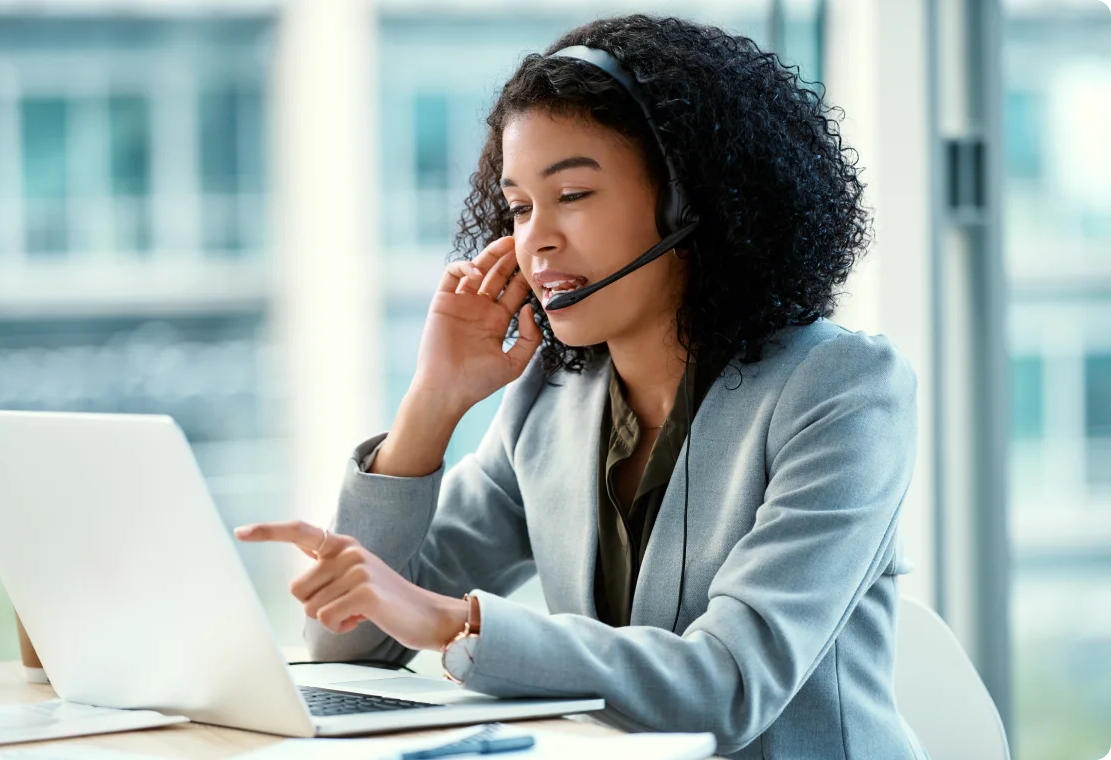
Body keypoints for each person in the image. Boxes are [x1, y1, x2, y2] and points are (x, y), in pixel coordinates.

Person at [236, 13, 929, 759]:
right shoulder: (551, 402)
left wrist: (454, 623)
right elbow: (351, 643)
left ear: (690, 201)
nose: (537, 239)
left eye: (572, 195)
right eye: (520, 206)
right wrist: (433, 404)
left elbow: (729, 686)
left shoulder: (840, 390)